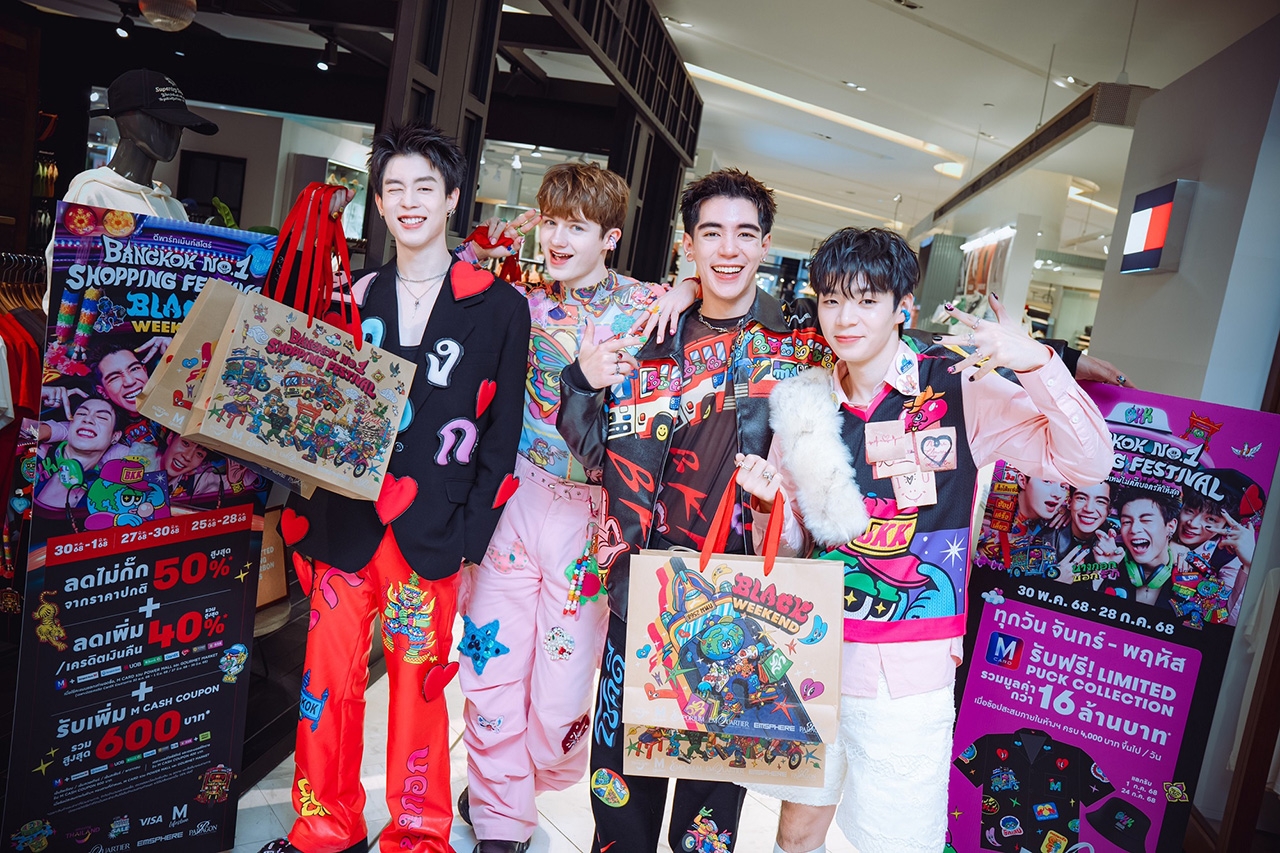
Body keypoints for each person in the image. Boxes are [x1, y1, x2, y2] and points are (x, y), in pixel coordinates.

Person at [730, 227, 1111, 853]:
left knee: (898, 839)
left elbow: (1088, 463)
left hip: (908, 668)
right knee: (796, 834)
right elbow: (794, 549)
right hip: (814, 651)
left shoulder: (957, 387)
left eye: (866, 300)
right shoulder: (803, 402)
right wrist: (772, 505)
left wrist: (1038, 362)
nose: (845, 319)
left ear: (903, 306)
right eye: (831, 300)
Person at [260, 122, 530, 853]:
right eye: (394, 189)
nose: (409, 201)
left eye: (424, 187)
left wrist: (472, 536)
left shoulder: (500, 307)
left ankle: (418, 831)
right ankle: (325, 824)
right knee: (326, 683)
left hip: (433, 528)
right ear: (377, 204)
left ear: (452, 198)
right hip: (343, 521)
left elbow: (502, 431)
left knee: (418, 686)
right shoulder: (352, 294)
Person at [556, 168, 829, 853]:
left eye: (744, 234)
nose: (728, 249)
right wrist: (580, 383)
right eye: (712, 233)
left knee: (711, 802)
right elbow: (595, 451)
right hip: (644, 584)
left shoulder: (801, 347)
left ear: (765, 245)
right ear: (689, 243)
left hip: (745, 598)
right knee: (621, 781)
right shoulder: (650, 335)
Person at [456, 163, 670, 853]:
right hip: (516, 500)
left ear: (609, 237)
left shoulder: (648, 306)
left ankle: (524, 777)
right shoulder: (516, 297)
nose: (556, 238)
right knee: (489, 669)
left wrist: (690, 284)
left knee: (559, 697)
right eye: (550, 222)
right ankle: (500, 812)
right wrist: (489, 239)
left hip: (592, 518)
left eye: (575, 227)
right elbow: (449, 276)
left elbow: (707, 299)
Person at [33, 396, 128, 512]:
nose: (87, 419)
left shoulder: (104, 498)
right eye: (82, 414)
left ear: (115, 436)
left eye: (102, 417)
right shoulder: (38, 454)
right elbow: (20, 429)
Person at [1094, 487, 1185, 608]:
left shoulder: (1188, 573)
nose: (1134, 529)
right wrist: (1101, 571)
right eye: (1126, 522)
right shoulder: (1108, 562)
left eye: (1146, 520)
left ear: (1171, 526)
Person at [1048, 481, 1117, 585]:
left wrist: (1103, 570)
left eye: (1100, 501)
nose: (1089, 509)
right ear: (1069, 502)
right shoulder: (1047, 538)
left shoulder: (1119, 542)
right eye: (1081, 498)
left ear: (1109, 509)